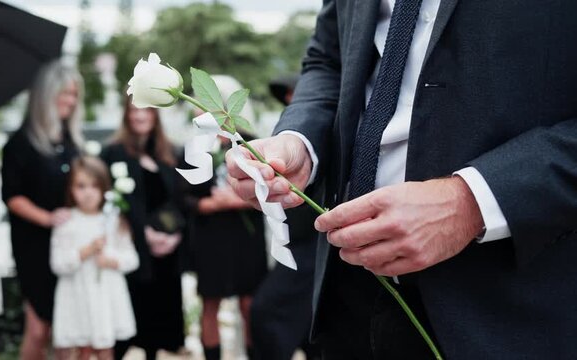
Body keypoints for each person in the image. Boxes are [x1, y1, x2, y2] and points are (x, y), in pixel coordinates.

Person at [226, 1, 577, 359]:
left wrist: (472, 202)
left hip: (508, 306)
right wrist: (299, 141)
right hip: (347, 297)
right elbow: (328, 62)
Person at [1, 61, 84, 360]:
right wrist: (48, 218)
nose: (70, 101)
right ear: (45, 96)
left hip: (70, 244)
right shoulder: (20, 144)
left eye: (74, 95)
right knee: (38, 329)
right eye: (64, 94)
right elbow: (12, 196)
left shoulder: (72, 142)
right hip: (34, 245)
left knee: (67, 329)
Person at [181, 75, 268, 360]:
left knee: (249, 304)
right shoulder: (196, 146)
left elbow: (267, 188)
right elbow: (185, 196)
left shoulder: (251, 142)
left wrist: (236, 201)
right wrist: (209, 204)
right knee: (210, 304)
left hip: (246, 236)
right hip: (211, 237)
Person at [101, 95, 185, 360]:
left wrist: (174, 235)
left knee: (158, 323)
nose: (140, 116)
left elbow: (180, 200)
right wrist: (142, 233)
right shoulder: (113, 152)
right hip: (133, 250)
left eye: (146, 111)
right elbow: (109, 201)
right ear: (126, 114)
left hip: (167, 252)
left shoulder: (169, 152)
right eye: (134, 110)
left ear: (155, 115)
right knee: (129, 318)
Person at [249, 74, 320, 360]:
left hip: (316, 239)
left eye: (296, 93)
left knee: (266, 311)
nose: (291, 98)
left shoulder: (330, 127)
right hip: (292, 237)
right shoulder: (284, 135)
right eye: (288, 95)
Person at [50, 156, 138, 360]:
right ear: (71, 189)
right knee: (82, 350)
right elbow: (58, 263)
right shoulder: (66, 222)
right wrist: (86, 251)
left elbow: (132, 259)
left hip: (105, 298)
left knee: (105, 349)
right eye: (81, 186)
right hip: (77, 296)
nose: (88, 192)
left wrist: (111, 260)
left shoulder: (112, 219)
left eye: (94, 186)